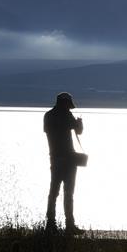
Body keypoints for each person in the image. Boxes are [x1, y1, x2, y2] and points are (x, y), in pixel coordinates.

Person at [44, 91, 84, 232]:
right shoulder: (67, 115)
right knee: (68, 193)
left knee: (53, 192)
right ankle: (69, 225)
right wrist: (79, 124)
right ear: (66, 103)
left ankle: (51, 223)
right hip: (68, 159)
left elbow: (49, 131)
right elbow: (79, 131)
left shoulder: (48, 116)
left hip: (55, 158)